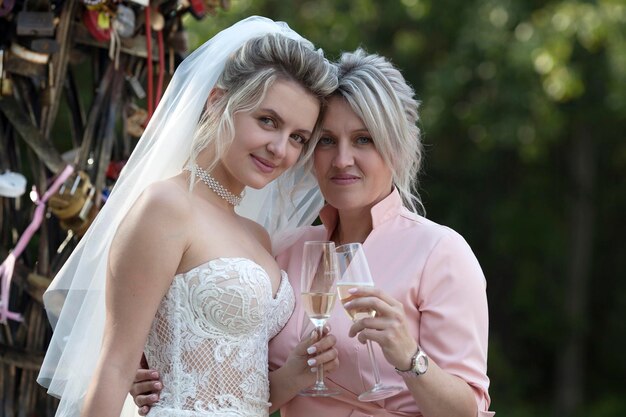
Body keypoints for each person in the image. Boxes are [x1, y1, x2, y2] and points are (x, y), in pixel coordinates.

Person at [132, 49, 494, 417]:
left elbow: (466, 411)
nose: (341, 159)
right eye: (325, 140)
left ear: (398, 149)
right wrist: (154, 378)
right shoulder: (285, 249)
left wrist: (408, 356)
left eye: (363, 139)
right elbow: (238, 390)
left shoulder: (439, 252)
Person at [36, 16, 338, 417]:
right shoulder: (166, 207)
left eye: (298, 137)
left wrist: (295, 374)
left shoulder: (258, 237)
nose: (280, 149)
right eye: (268, 121)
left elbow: (235, 396)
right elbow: (115, 366)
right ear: (217, 102)